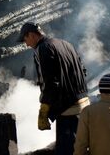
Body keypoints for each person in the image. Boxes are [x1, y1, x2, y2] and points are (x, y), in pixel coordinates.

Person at [18, 22, 89, 155]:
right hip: (83, 105)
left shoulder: (43, 48)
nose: (26, 44)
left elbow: (50, 82)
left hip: (68, 110)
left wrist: (44, 108)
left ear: (32, 35)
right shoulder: (66, 44)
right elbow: (83, 70)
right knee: (81, 148)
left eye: (25, 39)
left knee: (66, 150)